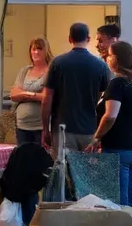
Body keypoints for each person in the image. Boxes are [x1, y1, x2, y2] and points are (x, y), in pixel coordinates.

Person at [88, 41, 132, 213]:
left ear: (118, 59)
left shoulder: (117, 84)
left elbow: (110, 115)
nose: (107, 58)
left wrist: (97, 137)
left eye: (110, 55)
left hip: (119, 149)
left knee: (121, 202)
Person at [41, 23, 110, 156]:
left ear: (69, 39)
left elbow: (46, 98)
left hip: (62, 129)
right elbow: (104, 99)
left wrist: (45, 129)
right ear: (88, 39)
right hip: (90, 129)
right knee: (86, 173)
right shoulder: (100, 65)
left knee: (63, 172)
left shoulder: (58, 63)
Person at [10, 38, 51, 147]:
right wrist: (34, 94)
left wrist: (24, 94)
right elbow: (13, 95)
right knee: (24, 158)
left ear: (46, 51)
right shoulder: (24, 71)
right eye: (34, 49)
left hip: (41, 126)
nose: (36, 52)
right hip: (22, 125)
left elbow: (47, 97)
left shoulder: (50, 71)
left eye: (40, 49)